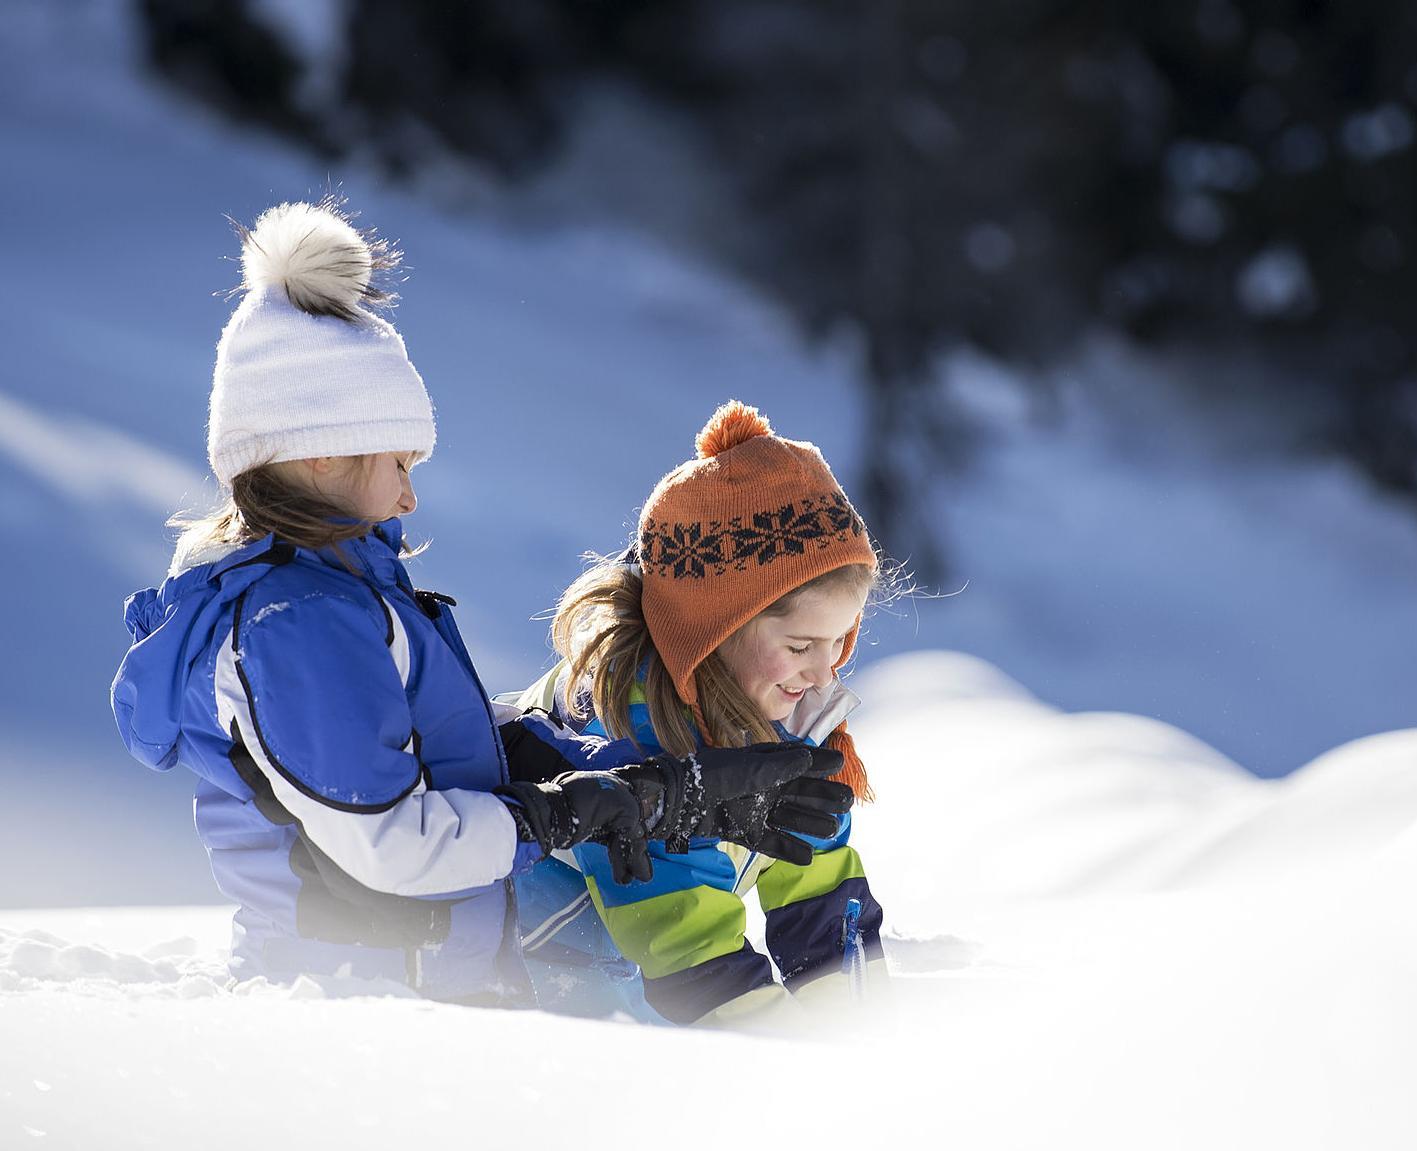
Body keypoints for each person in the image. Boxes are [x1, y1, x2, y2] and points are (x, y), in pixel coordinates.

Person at [109, 202, 850, 1006]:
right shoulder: (294, 623)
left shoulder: (335, 596)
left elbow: (439, 750)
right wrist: (555, 816)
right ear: (320, 452)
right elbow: (389, 841)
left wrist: (662, 789)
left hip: (410, 989)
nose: (410, 495)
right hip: (353, 1006)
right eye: (398, 460)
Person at [513, 399, 887, 1026]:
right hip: (553, 979)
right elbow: (685, 940)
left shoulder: (786, 702)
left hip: (651, 970)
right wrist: (793, 1054)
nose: (826, 673)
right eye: (801, 646)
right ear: (714, 631)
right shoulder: (631, 728)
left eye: (840, 642)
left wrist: (857, 1026)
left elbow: (821, 883)